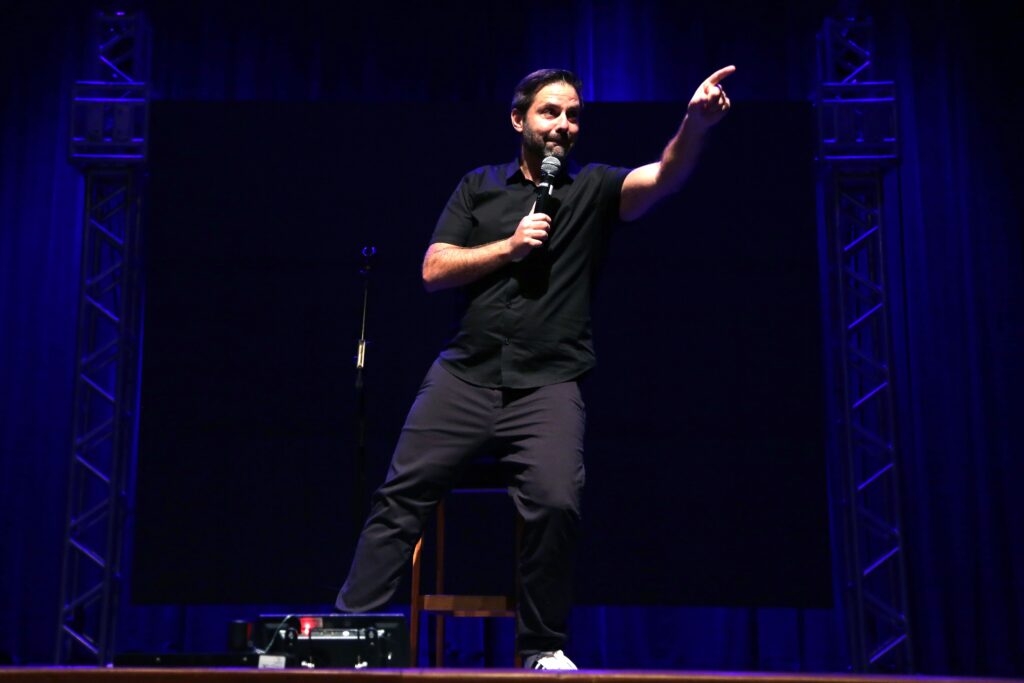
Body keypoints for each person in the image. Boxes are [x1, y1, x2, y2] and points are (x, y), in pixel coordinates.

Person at [335, 66, 734, 670]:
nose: (563, 125)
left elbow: (664, 177)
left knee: (554, 502)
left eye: (573, 115)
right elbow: (433, 268)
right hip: (465, 375)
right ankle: (353, 635)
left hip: (549, 382)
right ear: (519, 119)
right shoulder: (479, 187)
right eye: (551, 113)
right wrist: (509, 247)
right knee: (399, 497)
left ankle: (540, 647)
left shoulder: (593, 188)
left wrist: (694, 124)